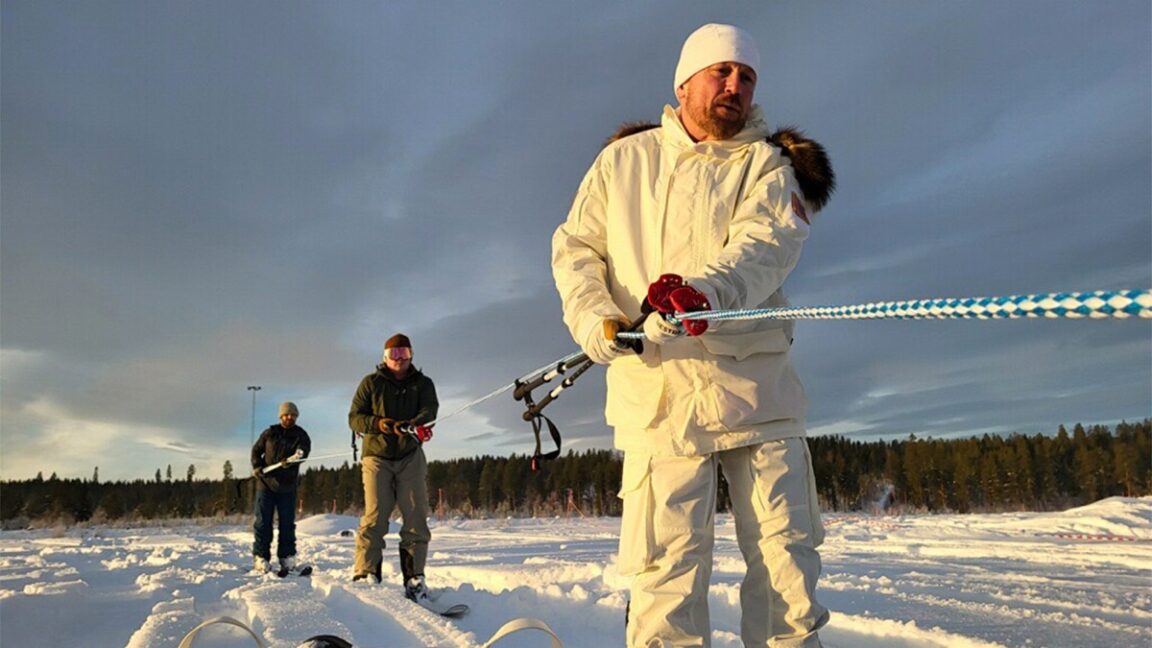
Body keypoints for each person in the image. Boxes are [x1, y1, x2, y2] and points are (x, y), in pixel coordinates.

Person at [551, 23, 834, 648]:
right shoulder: (622, 163)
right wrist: (595, 319)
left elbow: (767, 247)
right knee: (665, 581)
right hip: (658, 401)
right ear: (684, 82)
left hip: (757, 391)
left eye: (748, 76)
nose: (736, 86)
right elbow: (575, 250)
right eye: (722, 72)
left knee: (790, 575)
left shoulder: (768, 166)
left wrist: (705, 295)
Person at [348, 333, 439, 601]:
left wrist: (415, 424)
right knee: (375, 516)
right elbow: (355, 418)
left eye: (404, 354)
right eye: (394, 355)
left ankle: (414, 576)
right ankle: (366, 572)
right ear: (384, 357)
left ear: (411, 355)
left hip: (410, 456)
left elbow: (430, 409)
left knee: (416, 516)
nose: (399, 360)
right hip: (376, 457)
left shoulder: (423, 383)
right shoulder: (370, 383)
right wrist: (381, 424)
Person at [251, 401, 311, 573]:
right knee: (263, 523)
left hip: (287, 487)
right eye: (286, 414)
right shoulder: (270, 433)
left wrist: (294, 458)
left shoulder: (301, 435)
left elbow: (303, 452)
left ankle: (287, 556)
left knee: (287, 524)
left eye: (293, 415)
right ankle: (261, 557)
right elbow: (256, 451)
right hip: (266, 485)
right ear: (281, 416)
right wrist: (257, 466)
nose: (289, 417)